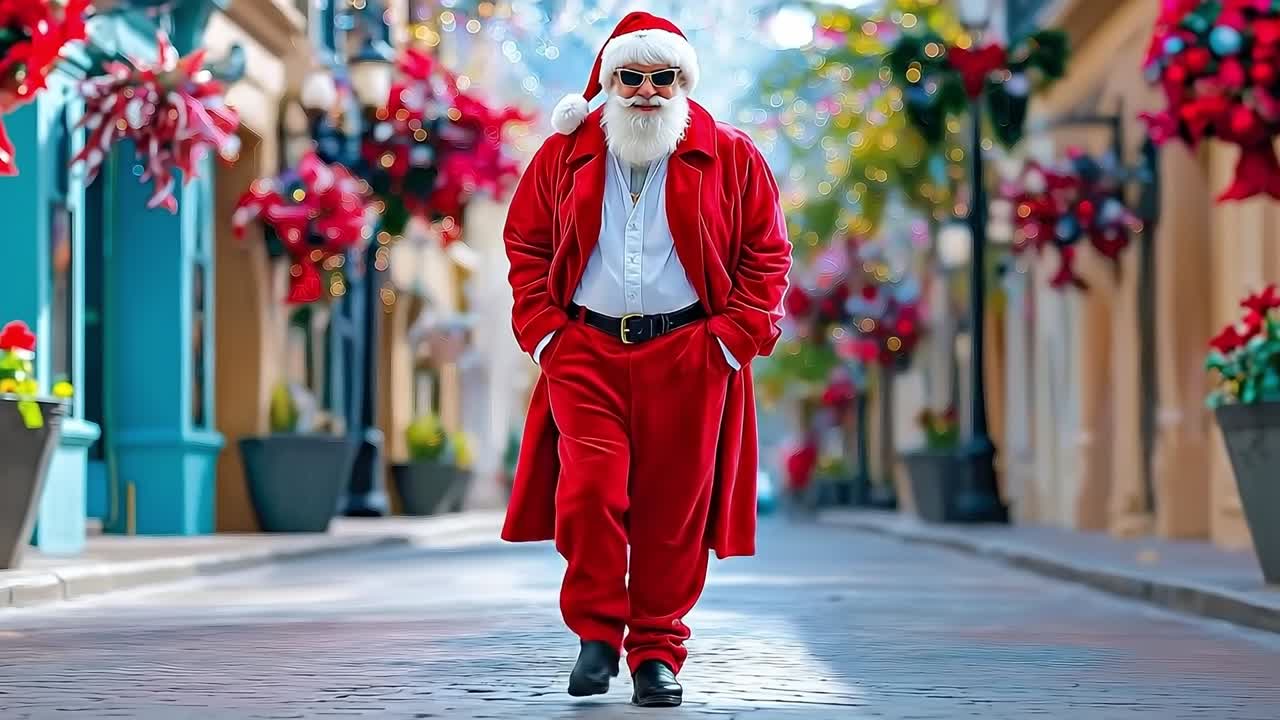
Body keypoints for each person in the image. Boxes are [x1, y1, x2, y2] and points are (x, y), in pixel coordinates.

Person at [500, 11, 792, 708]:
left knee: (672, 513)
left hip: (691, 353)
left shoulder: (732, 154)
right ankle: (597, 634)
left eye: (664, 78)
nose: (647, 92)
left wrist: (731, 339)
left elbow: (768, 256)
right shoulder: (562, 155)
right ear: (608, 82)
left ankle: (657, 651)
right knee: (591, 491)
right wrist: (547, 334)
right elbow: (526, 248)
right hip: (586, 351)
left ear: (683, 82)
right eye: (631, 77)